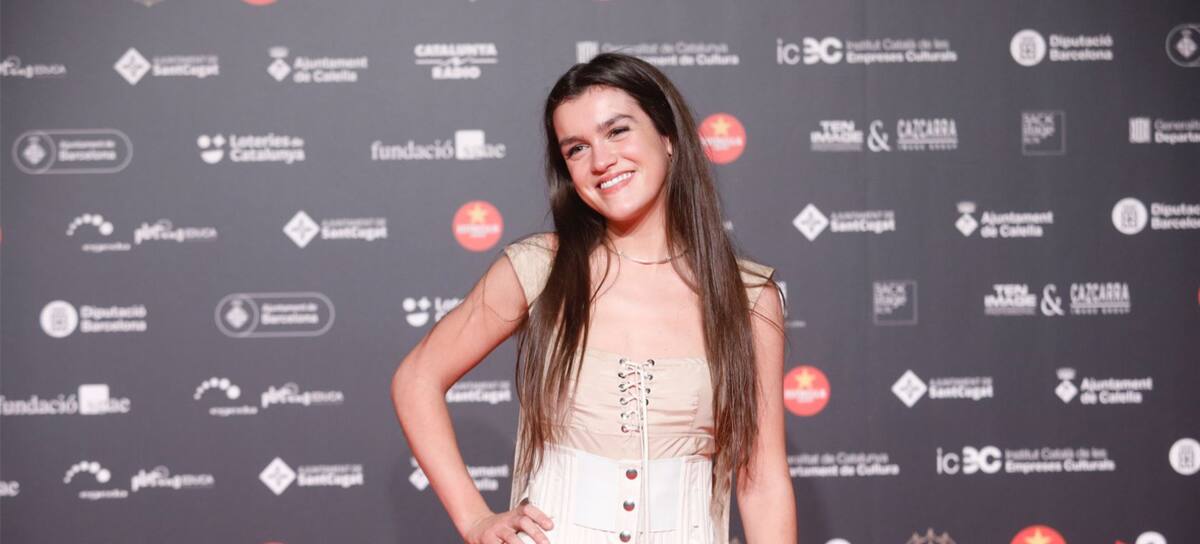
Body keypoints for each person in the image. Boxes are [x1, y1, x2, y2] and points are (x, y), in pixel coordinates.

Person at [392, 52, 795, 544]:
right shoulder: (540, 268)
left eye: (618, 131)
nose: (601, 161)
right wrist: (475, 518)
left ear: (668, 137)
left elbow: (762, 481)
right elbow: (417, 378)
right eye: (577, 149)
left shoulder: (748, 298)